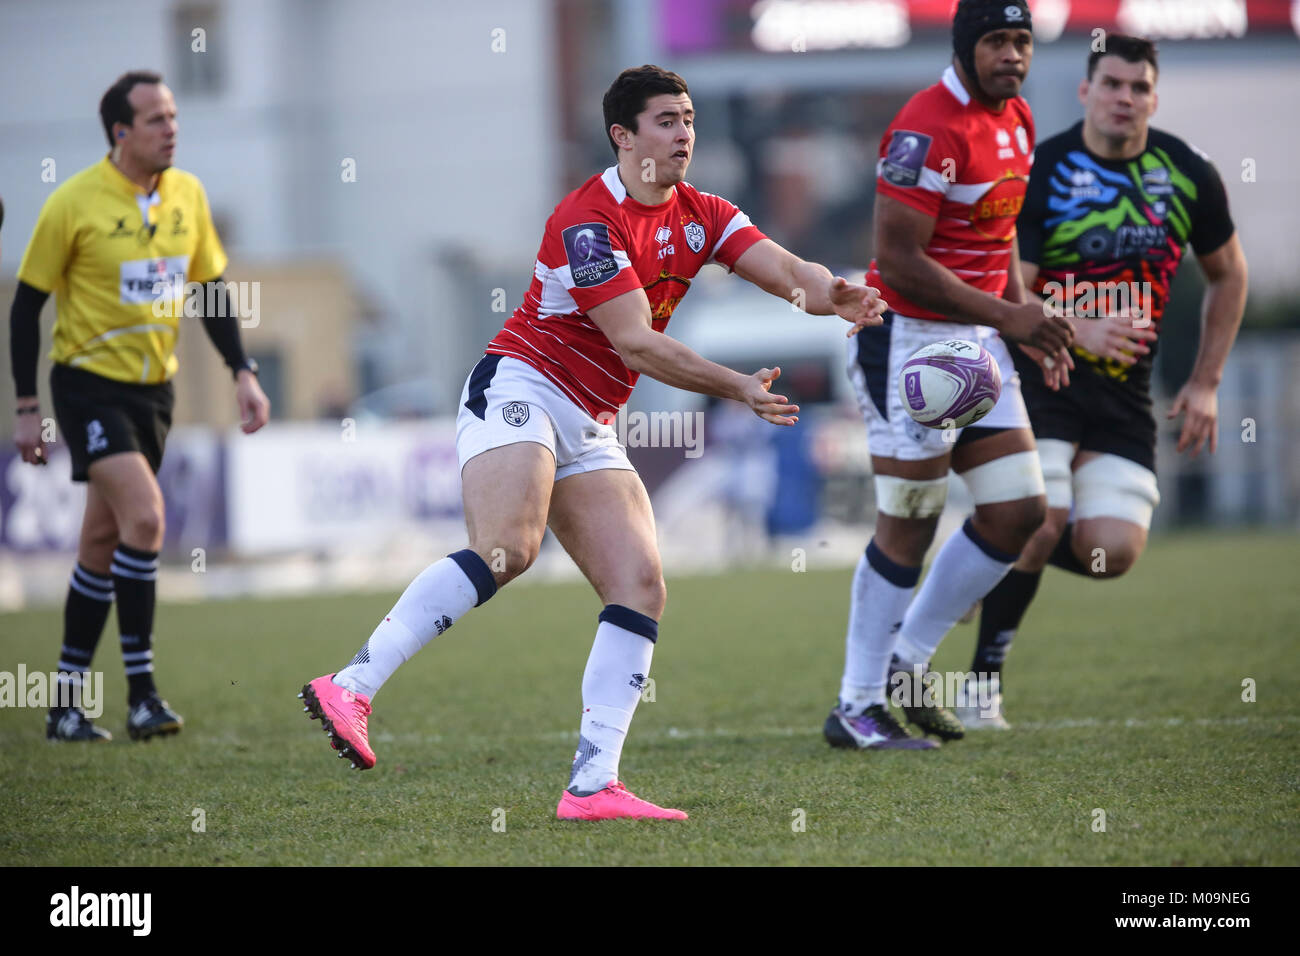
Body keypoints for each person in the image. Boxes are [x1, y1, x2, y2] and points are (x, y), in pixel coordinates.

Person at [299, 64, 887, 820]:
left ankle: (592, 785)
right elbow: (636, 344)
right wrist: (737, 384)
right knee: (508, 547)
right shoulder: (588, 222)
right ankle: (350, 685)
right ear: (624, 135)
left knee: (640, 584)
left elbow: (785, 270)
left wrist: (829, 291)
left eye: (689, 119)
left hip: (590, 417)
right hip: (522, 385)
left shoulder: (704, 212)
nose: (684, 134)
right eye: (667, 121)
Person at [959, 35, 1247, 728]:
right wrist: (1073, 326)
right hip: (1041, 377)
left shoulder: (1187, 173)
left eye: (1138, 87)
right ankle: (979, 687)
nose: (1125, 98)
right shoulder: (1042, 167)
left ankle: (979, 550)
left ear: (1154, 96)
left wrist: (1206, 383)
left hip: (1124, 395)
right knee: (1042, 516)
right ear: (1086, 91)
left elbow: (1229, 274)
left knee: (1109, 554)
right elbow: (1009, 282)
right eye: (1111, 84)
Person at [825, 0, 1078, 752]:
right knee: (909, 523)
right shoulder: (924, 127)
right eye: (997, 41)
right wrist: (1011, 320)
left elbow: (996, 243)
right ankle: (856, 705)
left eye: (1022, 41)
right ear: (967, 48)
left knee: (1017, 512)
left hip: (979, 342)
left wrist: (1026, 321)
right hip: (903, 339)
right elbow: (899, 261)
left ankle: (906, 666)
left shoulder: (1020, 121)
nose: (1012, 55)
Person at [9, 70, 271, 742]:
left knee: (101, 541)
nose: (171, 128)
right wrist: (26, 404)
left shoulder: (187, 195)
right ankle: (144, 695)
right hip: (87, 385)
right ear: (120, 133)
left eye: (174, 115)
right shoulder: (73, 204)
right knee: (148, 518)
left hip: (155, 390)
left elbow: (211, 289)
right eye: (155, 119)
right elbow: (26, 305)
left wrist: (242, 370)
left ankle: (64, 704)